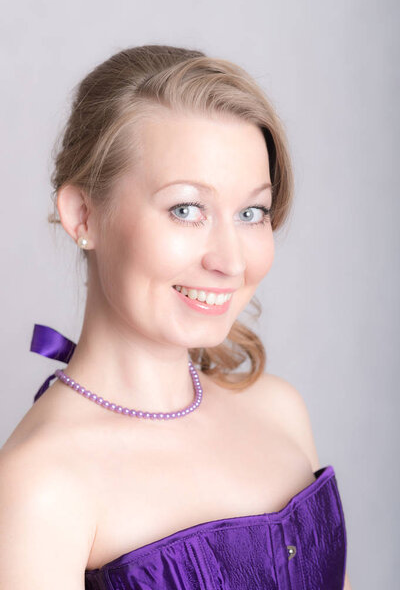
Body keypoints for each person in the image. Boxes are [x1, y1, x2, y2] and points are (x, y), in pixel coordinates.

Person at [0, 44, 351, 589]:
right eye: (186, 209)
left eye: (251, 212)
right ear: (83, 216)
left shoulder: (280, 412)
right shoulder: (40, 484)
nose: (230, 261)